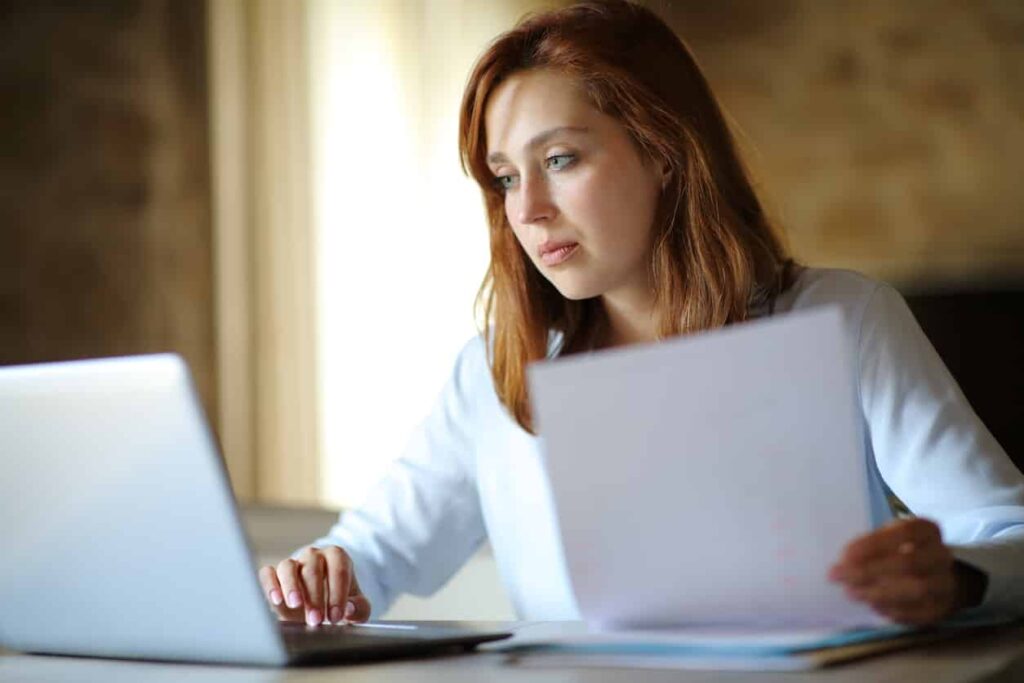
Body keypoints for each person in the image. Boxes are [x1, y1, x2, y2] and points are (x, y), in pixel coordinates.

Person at [258, 0, 1024, 628]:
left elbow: (1005, 533)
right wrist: (319, 575)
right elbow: (376, 550)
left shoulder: (844, 319)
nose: (527, 209)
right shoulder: (494, 372)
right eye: (503, 177)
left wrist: (951, 578)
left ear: (663, 150)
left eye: (560, 160)